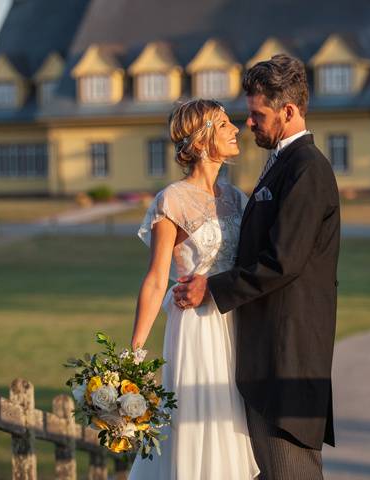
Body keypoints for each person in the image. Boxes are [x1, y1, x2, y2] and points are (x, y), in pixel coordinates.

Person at [173, 54, 340, 480]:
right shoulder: (282, 163)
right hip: (266, 353)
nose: (249, 124)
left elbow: (283, 260)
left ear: (288, 111)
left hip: (287, 361)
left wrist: (211, 288)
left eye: (257, 114)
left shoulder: (308, 169)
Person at [128, 99, 260, 479]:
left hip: (235, 322)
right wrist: (133, 355)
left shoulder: (237, 199)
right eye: (223, 125)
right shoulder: (171, 200)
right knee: (200, 421)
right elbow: (156, 279)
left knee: (233, 423)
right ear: (202, 141)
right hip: (196, 330)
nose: (236, 129)